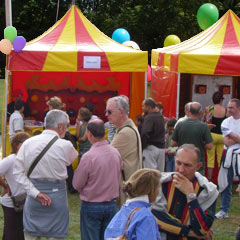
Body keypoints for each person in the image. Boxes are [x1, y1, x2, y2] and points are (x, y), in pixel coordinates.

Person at [13, 109, 78, 240]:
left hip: (34, 195)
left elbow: (17, 172)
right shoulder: (66, 145)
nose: (67, 130)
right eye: (66, 126)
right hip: (57, 198)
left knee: (31, 235)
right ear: (60, 126)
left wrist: (35, 193)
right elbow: (71, 160)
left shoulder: (27, 143)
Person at [152, 144, 219, 240]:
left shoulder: (208, 190)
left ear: (198, 166)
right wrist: (189, 232)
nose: (181, 170)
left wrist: (190, 196)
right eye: (178, 163)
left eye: (187, 165)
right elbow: (155, 218)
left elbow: (202, 229)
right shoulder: (161, 183)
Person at [73, 119, 122, 240]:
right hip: (111, 204)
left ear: (89, 133)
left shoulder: (89, 157)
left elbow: (77, 183)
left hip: (92, 205)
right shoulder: (115, 153)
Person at [105, 168, 162, 240]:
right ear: (152, 190)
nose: (159, 190)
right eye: (158, 186)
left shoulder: (122, 212)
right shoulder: (145, 216)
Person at [105, 96, 142, 206]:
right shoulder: (127, 128)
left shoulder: (125, 132)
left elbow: (106, 158)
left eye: (109, 111)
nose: (106, 114)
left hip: (126, 189)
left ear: (121, 112)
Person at [0, 132, 30, 240]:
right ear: (17, 145)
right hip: (10, 203)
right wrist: (5, 186)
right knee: (11, 233)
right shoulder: (10, 159)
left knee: (20, 233)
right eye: (25, 143)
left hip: (24, 202)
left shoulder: (28, 159)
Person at [215, 98, 240, 219]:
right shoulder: (225, 122)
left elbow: (231, 139)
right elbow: (227, 141)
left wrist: (232, 135)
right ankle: (224, 210)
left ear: (238, 109)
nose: (228, 109)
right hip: (229, 155)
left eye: (231, 107)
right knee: (226, 183)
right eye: (228, 107)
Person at [171, 102, 213, 173]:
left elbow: (172, 143)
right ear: (200, 112)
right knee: (197, 183)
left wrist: (182, 141)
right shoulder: (204, 126)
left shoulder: (180, 124)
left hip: (182, 161)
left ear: (189, 111)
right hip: (197, 163)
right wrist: (201, 142)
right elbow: (209, 146)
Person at [203, 91, 226, 181]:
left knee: (210, 159)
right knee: (221, 159)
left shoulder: (210, 109)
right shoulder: (225, 109)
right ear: (221, 100)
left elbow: (207, 121)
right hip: (222, 136)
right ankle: (221, 179)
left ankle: (209, 179)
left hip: (212, 135)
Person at [141, 98, 165, 171]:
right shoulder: (160, 116)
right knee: (160, 174)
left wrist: (143, 146)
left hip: (151, 148)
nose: (142, 108)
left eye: (143, 106)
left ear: (148, 107)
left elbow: (145, 132)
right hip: (161, 148)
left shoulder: (149, 117)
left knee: (149, 174)